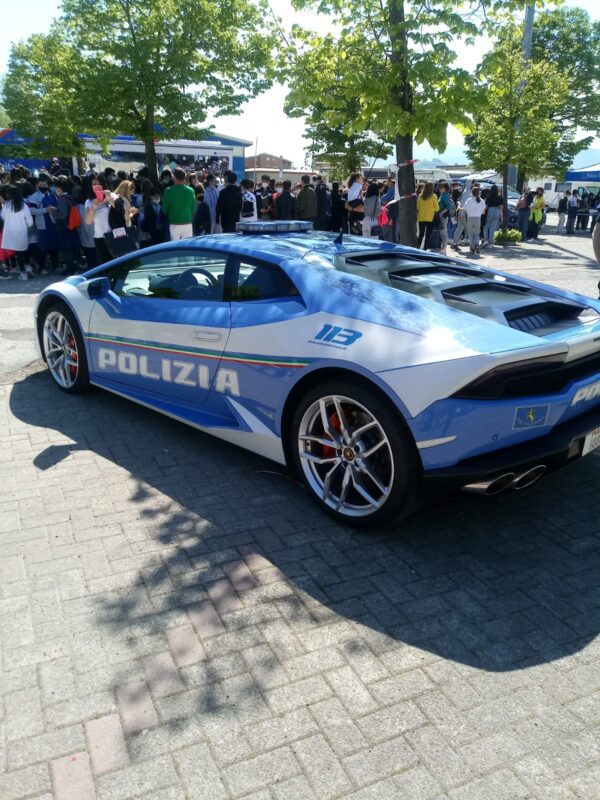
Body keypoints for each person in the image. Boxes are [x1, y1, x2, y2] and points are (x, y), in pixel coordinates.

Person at [0, 184, 33, 281]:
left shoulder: (7, 205)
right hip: (21, 232)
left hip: (10, 232)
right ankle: (28, 268)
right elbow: (30, 222)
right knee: (24, 251)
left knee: (17, 254)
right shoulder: (24, 205)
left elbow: (3, 217)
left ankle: (23, 274)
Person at [84, 174, 113, 264]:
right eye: (93, 185)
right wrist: (93, 208)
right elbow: (88, 221)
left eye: (98, 184)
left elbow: (119, 211)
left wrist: (110, 199)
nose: (95, 187)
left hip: (113, 234)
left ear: (103, 184)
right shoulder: (89, 201)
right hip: (99, 236)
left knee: (118, 263)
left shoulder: (111, 196)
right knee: (106, 265)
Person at [54, 178, 81, 275]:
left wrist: (54, 212)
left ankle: (71, 270)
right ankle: (74, 268)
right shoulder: (71, 197)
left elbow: (62, 215)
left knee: (67, 250)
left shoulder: (61, 199)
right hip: (72, 227)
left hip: (64, 228)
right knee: (72, 249)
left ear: (60, 188)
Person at [162, 167, 196, 240]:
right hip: (188, 224)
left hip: (174, 225)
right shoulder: (191, 191)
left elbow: (164, 210)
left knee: (174, 249)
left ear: (174, 177)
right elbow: (193, 209)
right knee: (187, 247)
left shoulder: (168, 191)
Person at [464, 186, 486, 255]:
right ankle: (477, 244)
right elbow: (483, 211)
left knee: (470, 233)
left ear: (472, 192)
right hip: (478, 218)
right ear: (478, 193)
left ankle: (472, 246)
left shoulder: (469, 200)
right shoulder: (482, 201)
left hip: (470, 217)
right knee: (477, 233)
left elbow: (465, 209)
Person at [416, 181, 439, 249]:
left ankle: (417, 248)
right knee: (428, 235)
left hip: (421, 217)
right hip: (430, 218)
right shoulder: (434, 196)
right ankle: (425, 249)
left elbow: (417, 207)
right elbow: (437, 208)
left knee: (421, 234)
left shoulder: (420, 195)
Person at [437, 182, 453, 252]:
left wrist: (442, 212)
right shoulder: (442, 195)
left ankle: (444, 248)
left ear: (445, 188)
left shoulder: (445, 195)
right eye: (439, 187)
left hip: (443, 216)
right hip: (441, 216)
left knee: (443, 232)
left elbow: (449, 206)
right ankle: (443, 247)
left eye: (441, 187)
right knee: (442, 232)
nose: (439, 189)